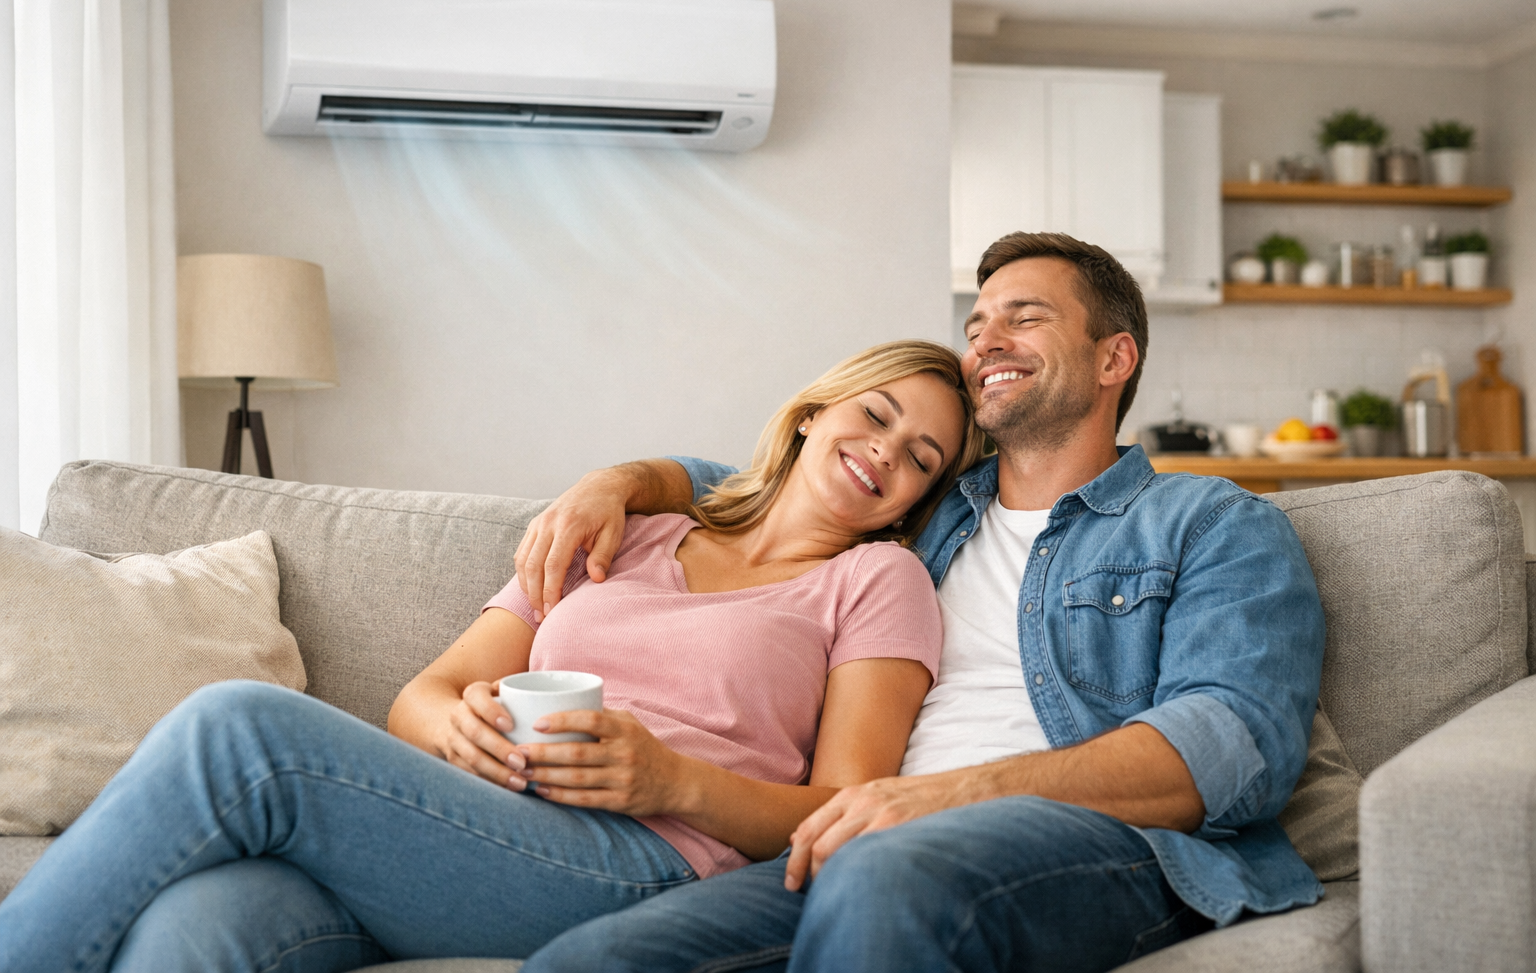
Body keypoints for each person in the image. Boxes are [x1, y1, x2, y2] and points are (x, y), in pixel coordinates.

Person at [0, 340, 988, 973]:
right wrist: (457, 728)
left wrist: (673, 777)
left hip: (639, 858)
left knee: (238, 726)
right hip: (471, 830)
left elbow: (839, 809)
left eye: (922, 458)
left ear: (915, 500)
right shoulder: (631, 533)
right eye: (878, 413)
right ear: (817, 409)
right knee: (201, 925)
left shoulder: (875, 583)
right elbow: (422, 697)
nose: (886, 452)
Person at [513, 232, 1328, 973]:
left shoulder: (1211, 522)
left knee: (887, 876)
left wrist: (939, 797)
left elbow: (1228, 746)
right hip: (866, 839)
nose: (984, 344)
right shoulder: (927, 508)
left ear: (1115, 359)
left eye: (1025, 317)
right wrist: (615, 482)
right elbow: (760, 483)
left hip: (1099, 849)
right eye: (977, 328)